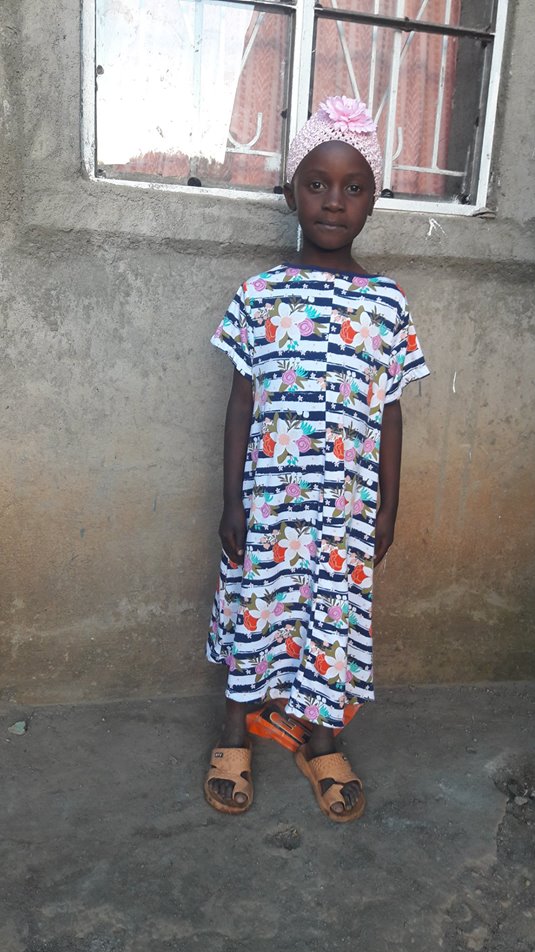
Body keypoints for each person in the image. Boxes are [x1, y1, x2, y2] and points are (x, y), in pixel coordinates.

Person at [204, 95, 430, 822]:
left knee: (332, 620)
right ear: (289, 193)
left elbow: (389, 410)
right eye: (317, 183)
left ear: (373, 201)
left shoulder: (388, 304)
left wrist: (388, 508)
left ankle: (321, 739)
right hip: (269, 507)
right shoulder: (259, 296)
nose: (335, 201)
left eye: (354, 187)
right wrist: (233, 503)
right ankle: (235, 732)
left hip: (344, 515)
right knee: (256, 610)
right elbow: (241, 402)